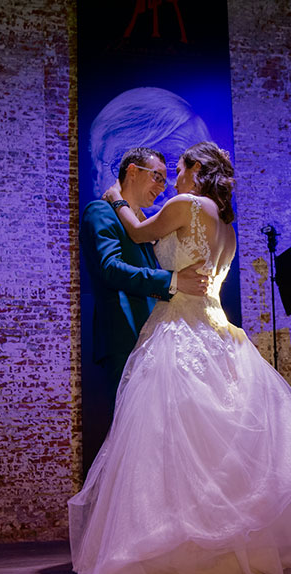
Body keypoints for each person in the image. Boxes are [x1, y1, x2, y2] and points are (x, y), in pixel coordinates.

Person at [69, 141, 291, 574]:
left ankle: (184, 542)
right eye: (159, 175)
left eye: (175, 170)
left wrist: (118, 199)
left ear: (196, 169)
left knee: (175, 441)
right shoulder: (227, 224)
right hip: (218, 334)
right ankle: (228, 541)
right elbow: (123, 263)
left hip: (181, 330)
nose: (168, 182)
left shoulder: (183, 205)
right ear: (133, 170)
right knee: (213, 445)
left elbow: (141, 235)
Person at [80, 146, 208, 474]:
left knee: (162, 441)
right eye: (157, 176)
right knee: (132, 443)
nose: (162, 186)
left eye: (166, 179)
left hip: (157, 341)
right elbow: (110, 268)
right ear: (132, 172)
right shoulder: (100, 211)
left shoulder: (143, 224)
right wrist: (173, 280)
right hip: (125, 337)